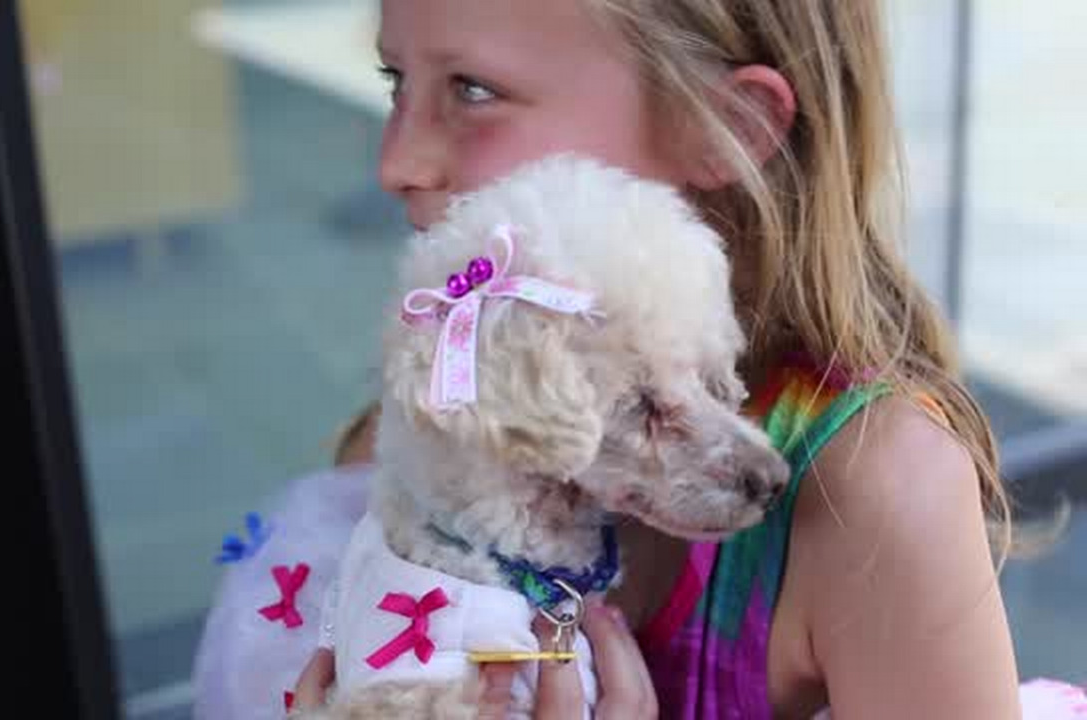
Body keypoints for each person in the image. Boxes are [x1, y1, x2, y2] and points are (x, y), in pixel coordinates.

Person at [253, 0, 1034, 716]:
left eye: (474, 90)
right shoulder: (428, 443)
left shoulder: (879, 490)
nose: (396, 163)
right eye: (396, 80)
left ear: (725, 126)